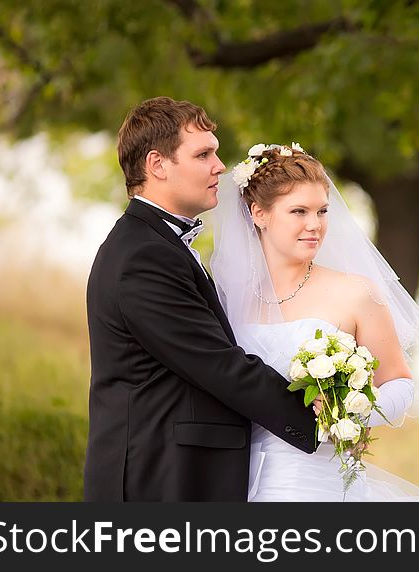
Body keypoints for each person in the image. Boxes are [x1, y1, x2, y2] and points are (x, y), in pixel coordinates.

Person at [83, 98, 319, 501]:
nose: (220, 166)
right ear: (157, 165)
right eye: (203, 154)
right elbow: (217, 363)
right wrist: (319, 418)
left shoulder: (154, 244)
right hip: (155, 480)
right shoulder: (143, 256)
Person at [210, 143, 419, 501]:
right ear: (259, 213)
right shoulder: (225, 300)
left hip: (321, 481)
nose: (314, 225)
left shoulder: (355, 293)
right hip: (239, 481)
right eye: (298, 211)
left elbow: (401, 384)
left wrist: (352, 412)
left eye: (322, 211)